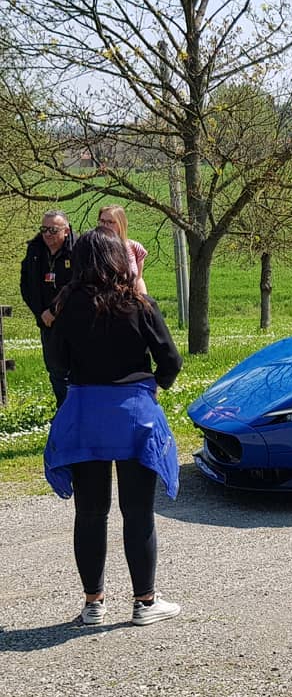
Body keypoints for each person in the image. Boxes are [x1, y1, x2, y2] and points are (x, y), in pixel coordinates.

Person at [44, 227, 184, 627]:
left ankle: (93, 604)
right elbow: (171, 360)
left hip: (86, 414)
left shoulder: (66, 306)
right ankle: (145, 602)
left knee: (90, 512)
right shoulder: (138, 303)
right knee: (137, 510)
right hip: (134, 415)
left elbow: (56, 364)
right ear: (117, 261)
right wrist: (154, 385)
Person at [19, 210, 76, 406]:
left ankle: (77, 412)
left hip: (73, 321)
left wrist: (55, 311)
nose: (47, 234)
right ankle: (64, 411)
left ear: (66, 231)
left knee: (77, 371)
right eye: (44, 229)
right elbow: (26, 285)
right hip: (46, 323)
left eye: (53, 230)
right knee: (55, 370)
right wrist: (40, 313)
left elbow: (78, 286)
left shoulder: (77, 251)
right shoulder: (35, 250)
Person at [97, 204, 148, 295]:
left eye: (110, 222)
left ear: (121, 224)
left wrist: (146, 303)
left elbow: (139, 279)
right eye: (102, 221)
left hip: (129, 302)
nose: (105, 225)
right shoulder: (93, 248)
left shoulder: (135, 248)